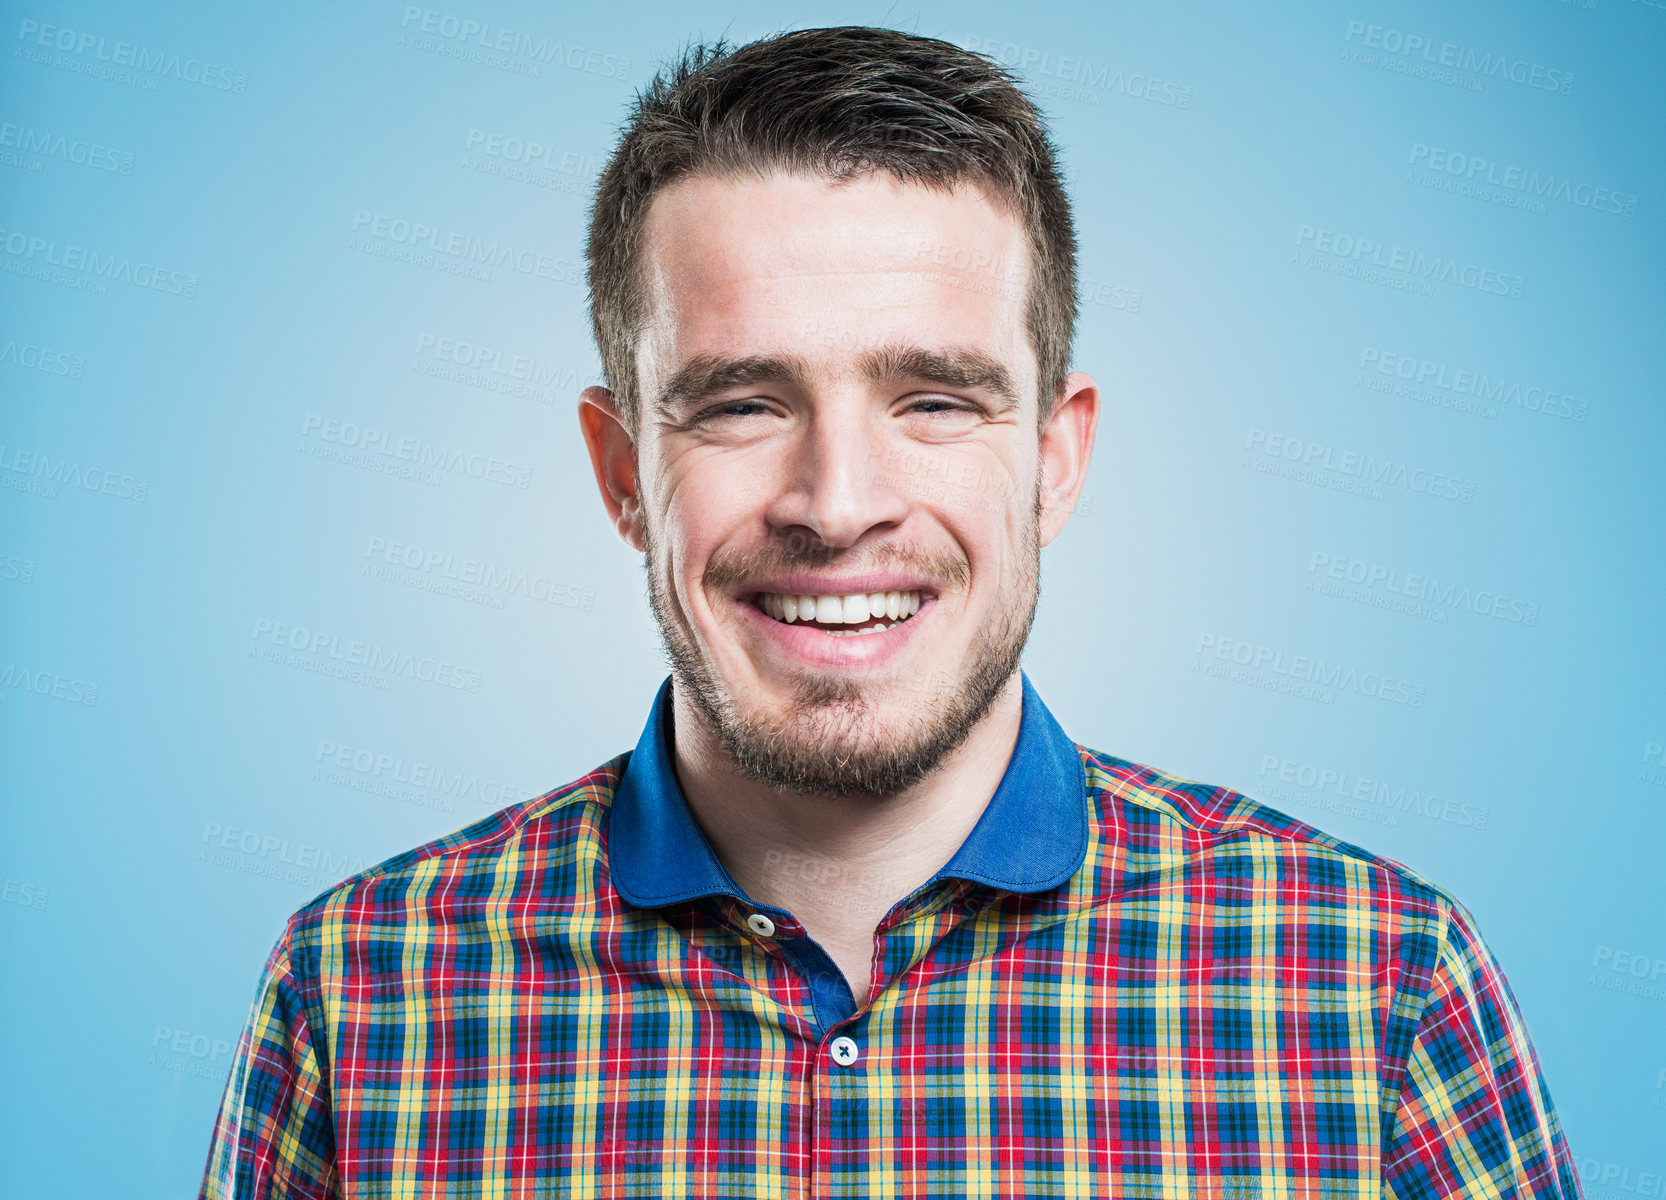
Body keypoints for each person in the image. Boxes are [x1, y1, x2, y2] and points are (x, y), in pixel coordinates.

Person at [200, 26, 1582, 1199]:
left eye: (932, 399)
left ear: (1053, 459)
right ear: (624, 470)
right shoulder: (364, 993)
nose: (838, 500)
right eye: (743, 401)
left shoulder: (1371, 986)